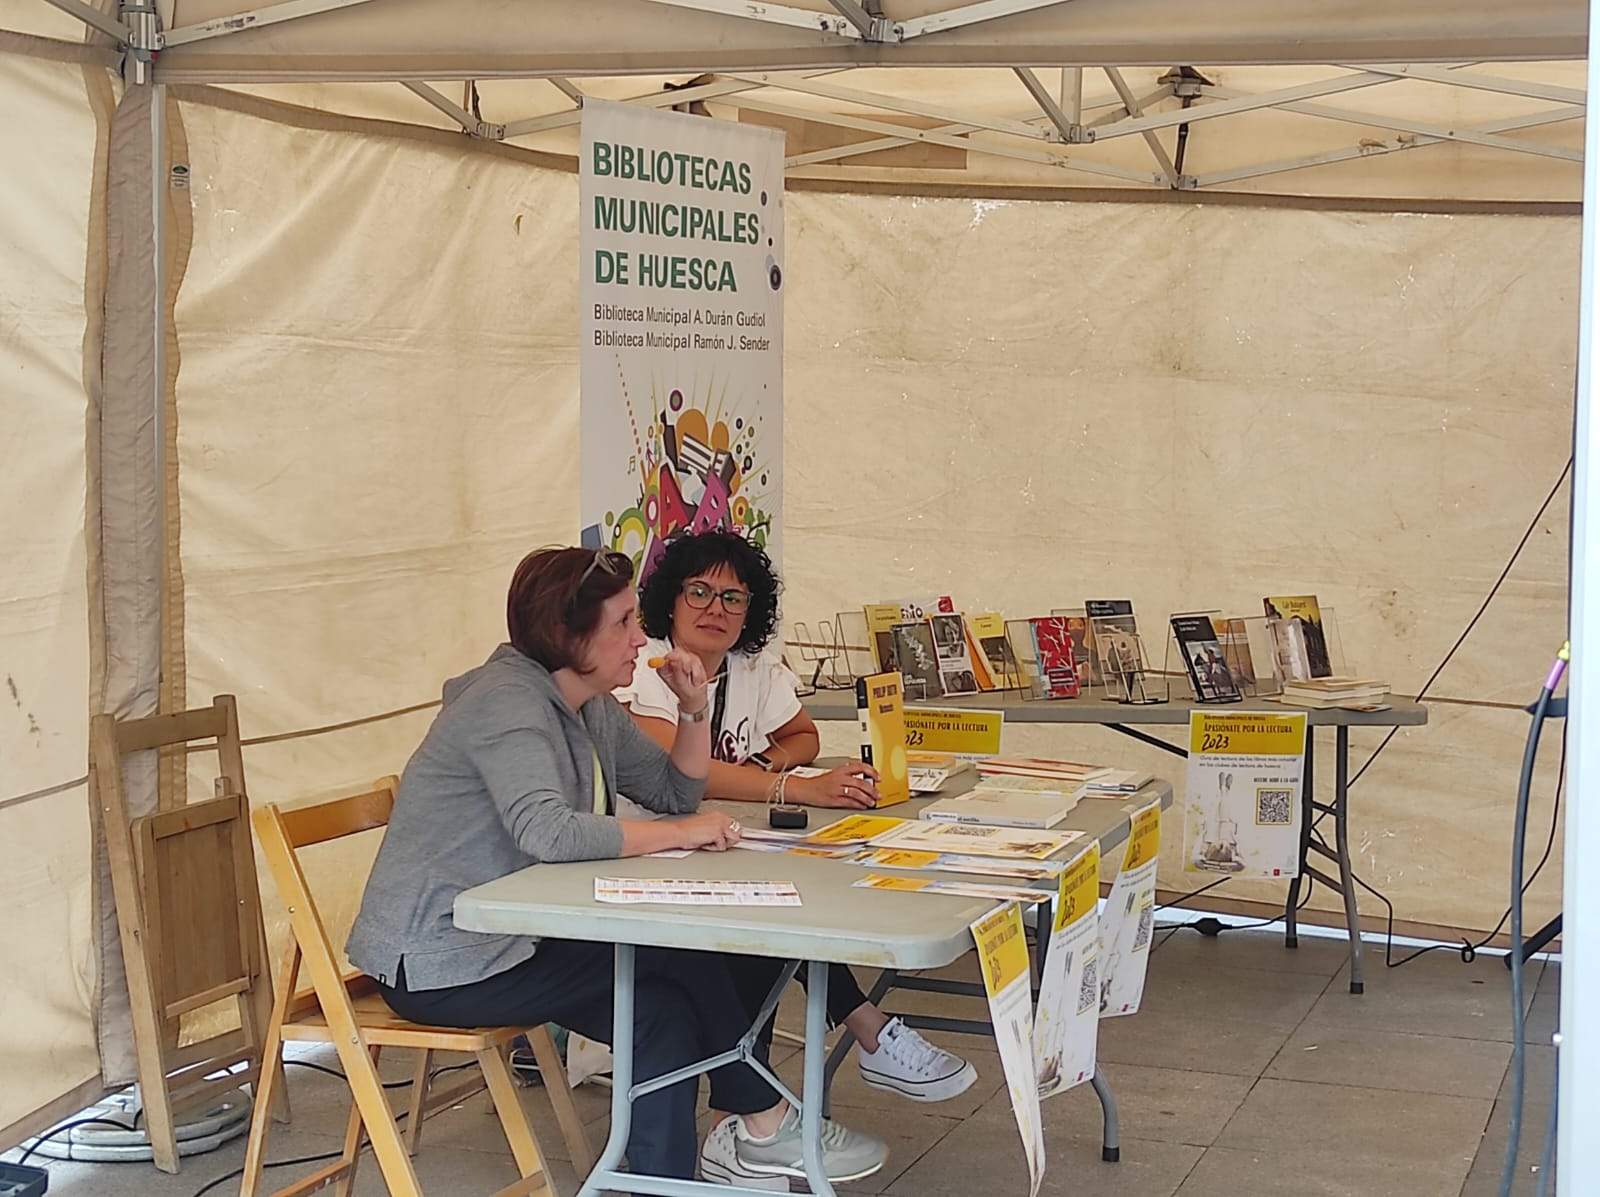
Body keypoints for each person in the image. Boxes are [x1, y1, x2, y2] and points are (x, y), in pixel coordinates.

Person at [346, 546, 886, 1189]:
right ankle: (764, 1118)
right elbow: (546, 829)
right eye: (624, 624)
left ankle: (669, 1177)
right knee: (675, 959)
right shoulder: (505, 705)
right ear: (570, 636)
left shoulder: (581, 699)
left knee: (661, 1008)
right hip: (443, 958)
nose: (640, 638)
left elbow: (672, 790)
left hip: (511, 935)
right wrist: (679, 834)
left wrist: (693, 711)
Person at [618, 530, 978, 1181]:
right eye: (700, 590)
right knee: (767, 926)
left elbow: (805, 734)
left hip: (712, 849)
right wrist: (789, 785)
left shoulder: (752, 665)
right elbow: (676, 771)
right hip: (645, 866)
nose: (716, 607)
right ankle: (849, 1040)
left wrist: (764, 764)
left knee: (791, 901)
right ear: (668, 600)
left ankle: (753, 1121)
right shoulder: (643, 665)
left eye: (733, 595)